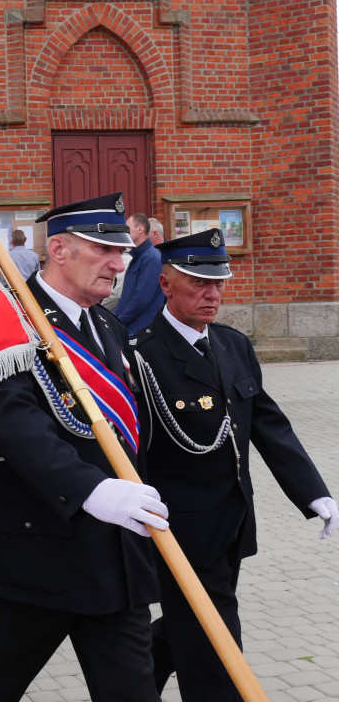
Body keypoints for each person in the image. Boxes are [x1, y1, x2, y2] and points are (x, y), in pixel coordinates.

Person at [0, 192, 167, 702]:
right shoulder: (8, 322)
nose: (119, 262)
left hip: (114, 558)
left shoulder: (107, 324)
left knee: (134, 691)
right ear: (59, 250)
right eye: (104, 249)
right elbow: (10, 422)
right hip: (36, 554)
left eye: (122, 250)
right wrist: (90, 489)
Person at [129, 228, 337, 701]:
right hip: (178, 531)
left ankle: (135, 675)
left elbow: (268, 424)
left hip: (232, 522)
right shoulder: (140, 356)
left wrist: (313, 492)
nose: (213, 294)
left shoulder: (231, 344)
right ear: (165, 284)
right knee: (213, 642)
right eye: (199, 283)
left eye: (219, 283)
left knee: (191, 622)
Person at [113, 212, 164, 334]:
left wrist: (119, 321)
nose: (125, 232)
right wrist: (113, 319)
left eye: (128, 228)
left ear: (140, 229)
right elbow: (125, 296)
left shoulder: (151, 258)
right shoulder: (137, 257)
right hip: (130, 327)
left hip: (141, 330)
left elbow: (141, 300)